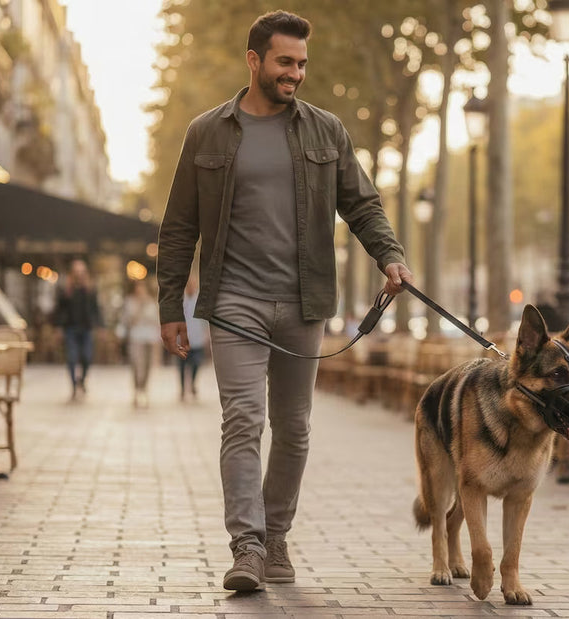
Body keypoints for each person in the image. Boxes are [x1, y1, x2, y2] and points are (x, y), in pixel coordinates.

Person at [155, 10, 412, 593]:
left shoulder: (326, 131)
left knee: (293, 428)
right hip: (234, 300)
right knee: (243, 421)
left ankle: (276, 536)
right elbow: (178, 227)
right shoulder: (207, 133)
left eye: (301, 63)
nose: (296, 73)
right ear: (254, 61)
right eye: (285, 62)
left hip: (304, 300)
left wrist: (388, 255)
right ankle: (246, 546)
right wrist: (171, 304)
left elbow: (363, 203)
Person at [53, 258, 101, 401]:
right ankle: (74, 385)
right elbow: (59, 310)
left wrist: (100, 326)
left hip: (86, 329)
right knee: (72, 358)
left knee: (87, 357)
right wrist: (58, 327)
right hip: (70, 329)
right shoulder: (65, 290)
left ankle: (82, 380)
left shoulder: (90, 290)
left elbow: (96, 309)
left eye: (82, 272)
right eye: (76, 272)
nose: (79, 275)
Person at [121, 279, 160, 408]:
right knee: (137, 366)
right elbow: (128, 320)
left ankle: (144, 389)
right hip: (136, 338)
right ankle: (137, 390)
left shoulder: (151, 302)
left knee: (147, 366)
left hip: (149, 338)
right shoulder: (130, 302)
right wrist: (139, 307)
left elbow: (155, 320)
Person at [179, 275, 208, 401]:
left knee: (196, 363)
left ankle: (193, 384)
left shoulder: (200, 300)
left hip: (197, 338)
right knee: (181, 366)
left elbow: (205, 320)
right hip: (182, 339)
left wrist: (206, 334)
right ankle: (182, 389)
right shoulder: (181, 300)